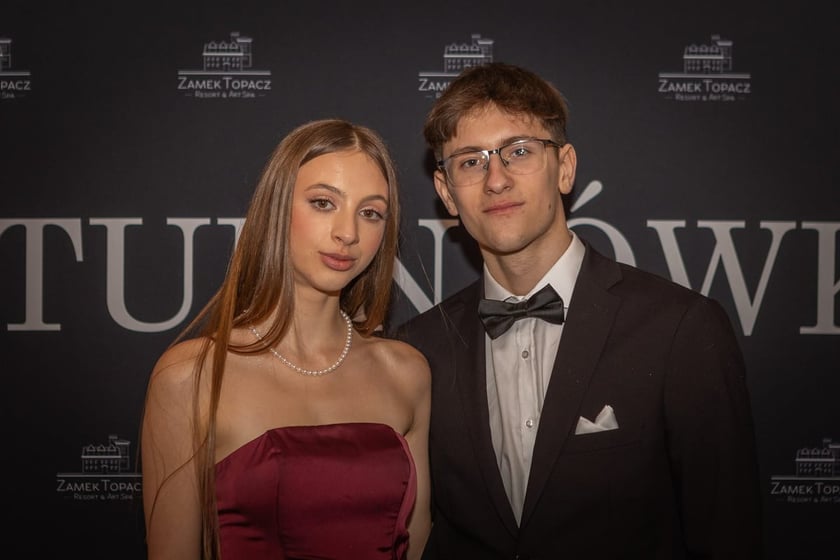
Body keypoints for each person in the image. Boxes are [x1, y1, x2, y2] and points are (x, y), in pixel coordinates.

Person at [392, 63, 763, 559]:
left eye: (519, 151)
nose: (496, 179)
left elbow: (727, 535)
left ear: (564, 167)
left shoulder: (680, 330)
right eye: (470, 161)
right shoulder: (418, 349)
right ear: (446, 192)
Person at [140, 119, 432, 560]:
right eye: (323, 203)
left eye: (370, 213)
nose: (348, 233)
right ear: (277, 208)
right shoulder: (191, 376)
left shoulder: (407, 374)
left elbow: (419, 542)